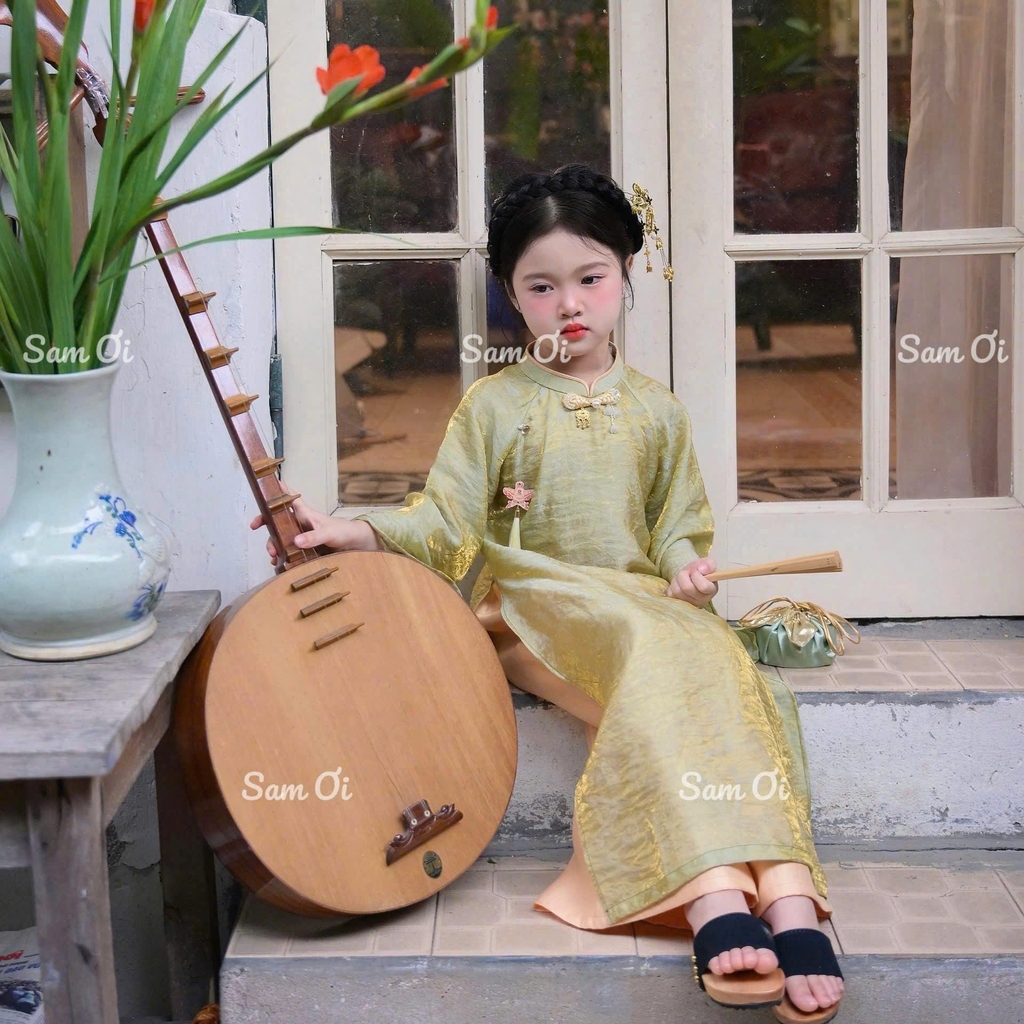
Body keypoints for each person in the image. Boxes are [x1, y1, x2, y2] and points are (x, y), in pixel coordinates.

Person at [252, 164, 844, 1023]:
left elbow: (676, 525)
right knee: (661, 655)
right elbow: (445, 520)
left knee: (727, 671)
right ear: (510, 295)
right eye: (541, 286)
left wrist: (686, 566)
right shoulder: (492, 406)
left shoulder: (659, 411)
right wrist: (359, 531)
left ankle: (790, 901)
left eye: (590, 279)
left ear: (626, 276)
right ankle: (714, 895)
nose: (569, 303)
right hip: (532, 607)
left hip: (642, 605)